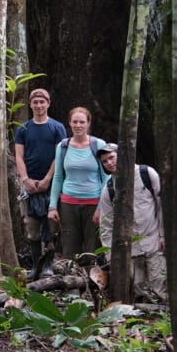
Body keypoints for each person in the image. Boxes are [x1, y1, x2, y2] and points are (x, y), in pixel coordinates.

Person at [96, 143, 166, 301]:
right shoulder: (108, 189)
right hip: (131, 249)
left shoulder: (146, 173)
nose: (110, 163)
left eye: (112, 157)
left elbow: (162, 205)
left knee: (159, 285)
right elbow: (106, 225)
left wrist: (163, 236)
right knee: (138, 290)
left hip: (154, 241)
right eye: (105, 161)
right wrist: (110, 255)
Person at [14, 88, 67, 279]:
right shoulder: (23, 129)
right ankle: (36, 266)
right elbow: (19, 156)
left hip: (51, 183)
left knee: (50, 225)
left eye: (42, 102)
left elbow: (58, 156)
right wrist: (26, 179)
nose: (38, 106)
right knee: (31, 227)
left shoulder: (57, 128)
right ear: (30, 104)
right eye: (35, 102)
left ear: (48, 103)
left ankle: (48, 265)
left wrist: (47, 179)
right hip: (29, 183)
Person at [48, 107, 107, 261]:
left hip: (93, 203)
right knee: (70, 247)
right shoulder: (63, 146)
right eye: (75, 122)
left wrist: (101, 207)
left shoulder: (99, 145)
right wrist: (53, 206)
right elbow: (58, 177)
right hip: (69, 203)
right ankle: (71, 282)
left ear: (88, 123)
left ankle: (92, 281)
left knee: (92, 248)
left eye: (82, 122)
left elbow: (106, 178)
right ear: (70, 123)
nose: (78, 125)